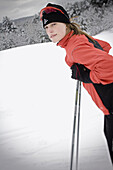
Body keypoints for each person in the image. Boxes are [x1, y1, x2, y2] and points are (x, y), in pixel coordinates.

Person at [40, 3, 113, 165]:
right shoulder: (77, 39)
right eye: (46, 27)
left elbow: (110, 67)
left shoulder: (75, 47)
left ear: (65, 24)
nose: (49, 31)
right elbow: (105, 47)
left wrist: (87, 76)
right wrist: (88, 64)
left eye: (54, 24)